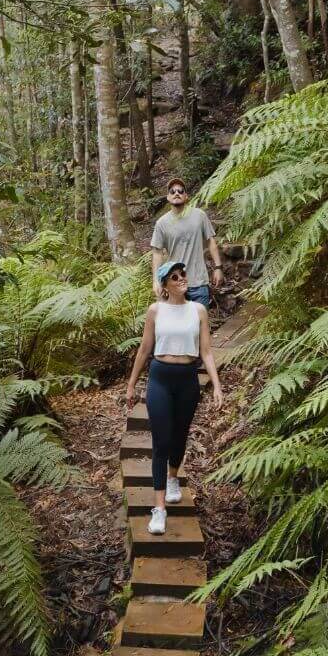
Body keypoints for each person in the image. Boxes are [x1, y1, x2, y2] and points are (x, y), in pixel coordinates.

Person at [126, 259, 223, 535]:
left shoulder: (198, 310)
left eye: (183, 273)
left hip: (187, 379)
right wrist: (132, 385)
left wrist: (216, 385)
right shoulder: (155, 310)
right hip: (160, 377)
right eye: (175, 276)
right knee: (162, 441)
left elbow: (206, 351)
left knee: (180, 436)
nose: (182, 278)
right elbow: (144, 349)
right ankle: (159, 509)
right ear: (165, 285)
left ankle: (173, 478)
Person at [150, 176, 224, 306]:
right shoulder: (161, 223)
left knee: (201, 323)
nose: (177, 193)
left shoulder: (199, 216)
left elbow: (211, 241)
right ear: (168, 197)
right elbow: (157, 253)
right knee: (179, 325)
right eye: (172, 191)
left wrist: (218, 268)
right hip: (174, 283)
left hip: (198, 282)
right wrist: (156, 280)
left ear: (186, 196)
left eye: (180, 191)